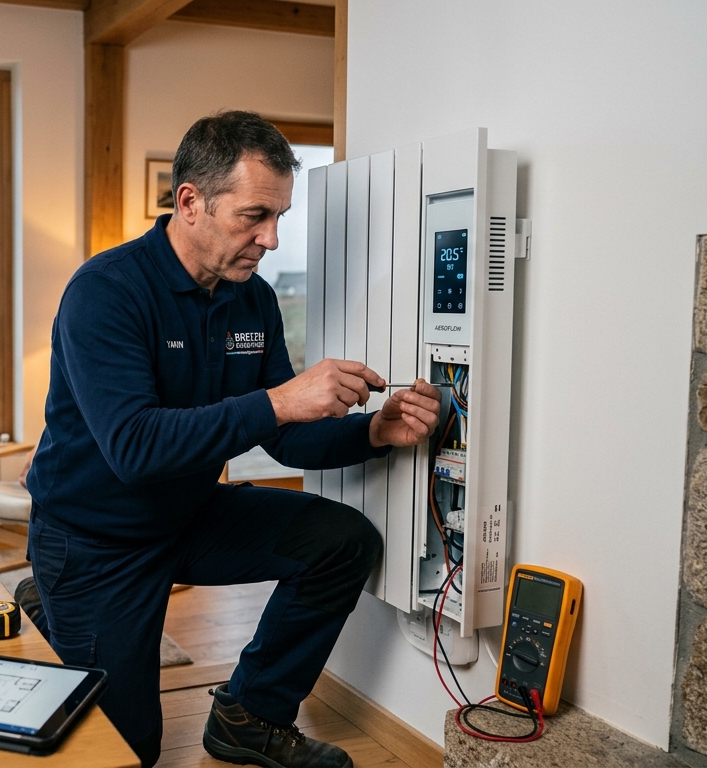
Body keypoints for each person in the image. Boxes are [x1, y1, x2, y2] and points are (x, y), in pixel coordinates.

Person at [23, 111, 441, 768]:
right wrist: (278, 400)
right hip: (95, 539)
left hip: (190, 515)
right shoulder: (105, 293)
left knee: (343, 541)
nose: (271, 238)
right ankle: (55, 600)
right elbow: (133, 448)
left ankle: (250, 717)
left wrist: (375, 432)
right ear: (190, 202)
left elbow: (286, 439)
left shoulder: (253, 300)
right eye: (254, 216)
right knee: (129, 751)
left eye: (279, 216)